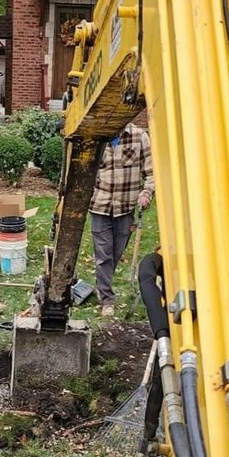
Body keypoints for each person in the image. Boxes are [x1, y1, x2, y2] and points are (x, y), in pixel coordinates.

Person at [89, 122, 154, 316]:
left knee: (115, 254)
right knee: (103, 256)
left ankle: (102, 283)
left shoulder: (139, 136)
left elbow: (151, 173)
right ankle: (107, 299)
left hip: (125, 208)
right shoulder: (96, 136)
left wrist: (146, 193)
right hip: (100, 206)